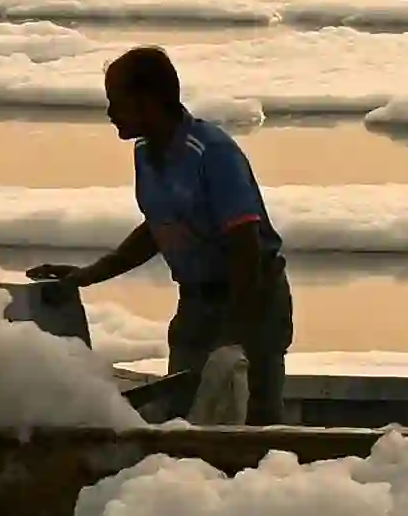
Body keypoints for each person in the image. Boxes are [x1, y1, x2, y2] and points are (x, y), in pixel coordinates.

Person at [65, 43, 294, 428]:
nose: (109, 113)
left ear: (149, 101)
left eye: (116, 101)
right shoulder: (145, 154)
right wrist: (85, 275)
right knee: (184, 419)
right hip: (197, 303)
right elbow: (159, 228)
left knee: (254, 421)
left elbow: (245, 246)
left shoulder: (211, 153)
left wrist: (234, 333)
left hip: (252, 297)